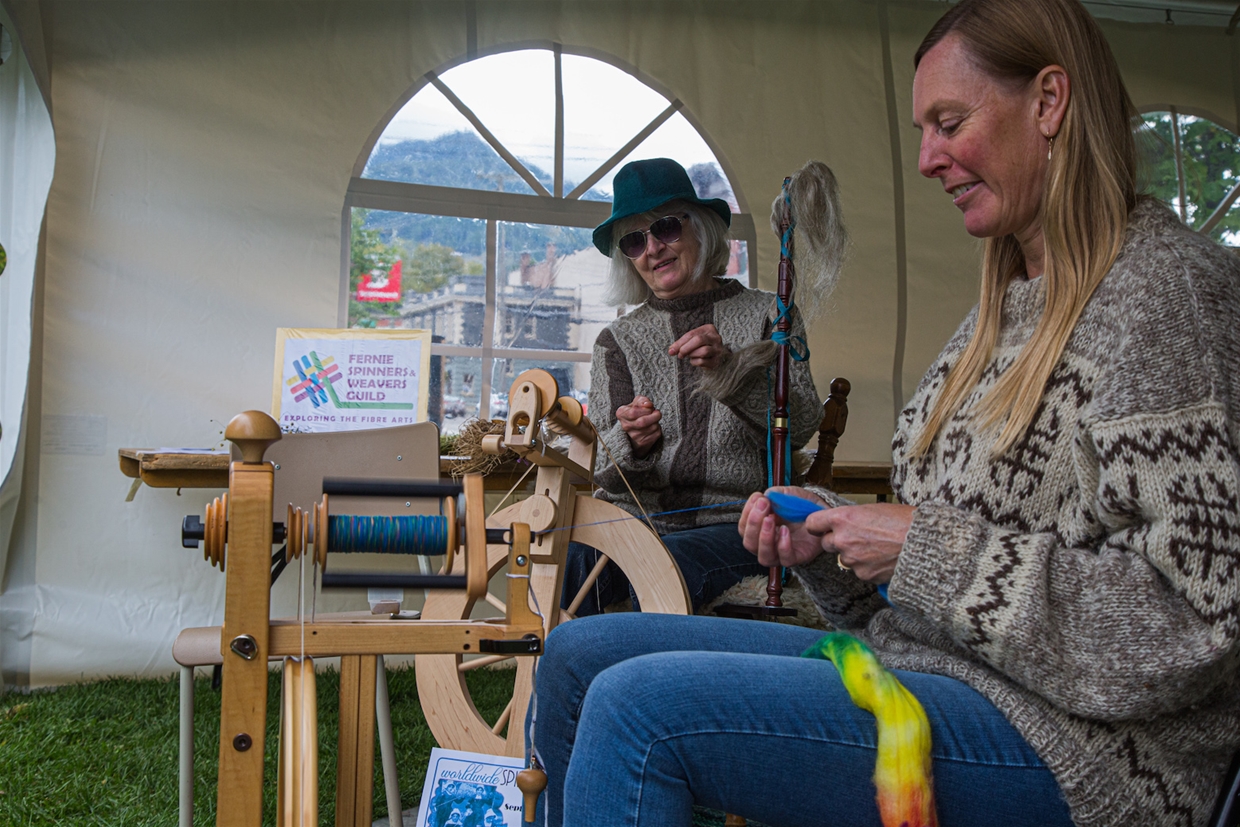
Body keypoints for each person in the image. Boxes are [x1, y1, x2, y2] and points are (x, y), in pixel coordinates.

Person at [528, 1, 1240, 825]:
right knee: (576, 653)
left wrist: (921, 546)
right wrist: (831, 541)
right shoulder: (998, 312)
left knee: (637, 710)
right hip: (929, 665)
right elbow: (937, 573)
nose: (928, 158)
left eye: (950, 123)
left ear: (1049, 101)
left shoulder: (1170, 299)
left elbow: (1196, 623)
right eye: (923, 131)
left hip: (1086, 745)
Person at [561, 157, 821, 616]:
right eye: (634, 241)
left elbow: (799, 426)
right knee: (570, 561)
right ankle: (557, 664)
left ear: (701, 227)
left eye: (665, 228)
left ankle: (643, 665)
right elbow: (601, 469)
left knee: (666, 565)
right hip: (635, 521)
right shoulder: (616, 341)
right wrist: (631, 442)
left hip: (736, 523)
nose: (652, 249)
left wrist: (730, 372)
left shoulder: (771, 316)